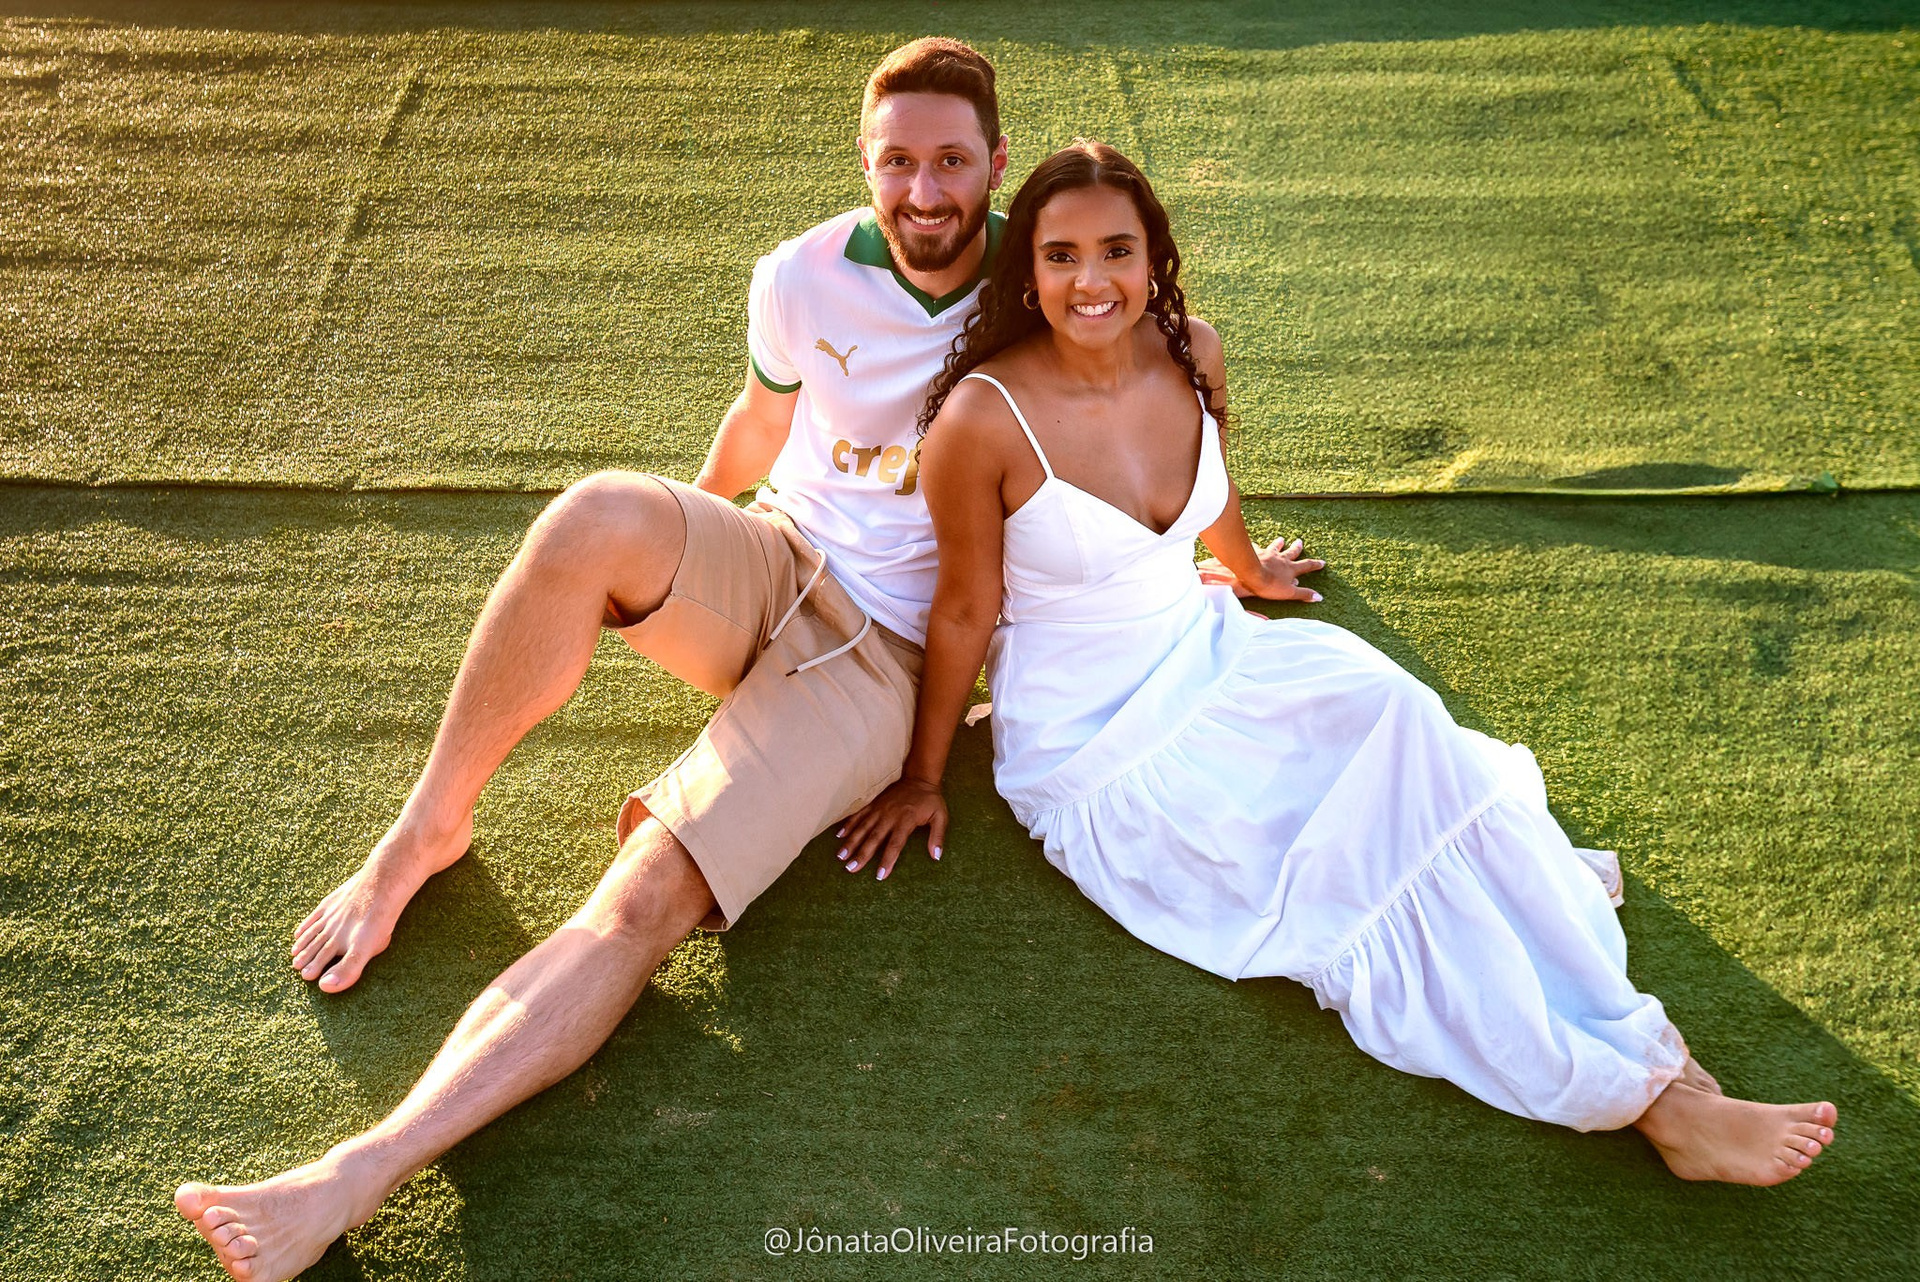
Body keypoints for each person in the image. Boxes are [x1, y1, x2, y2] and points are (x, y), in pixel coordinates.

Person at [173, 38, 1037, 1282]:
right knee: (594, 515)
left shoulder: (1039, 282)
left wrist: (1207, 563)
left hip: (879, 658)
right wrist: (676, 539)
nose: (924, 191)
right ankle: (426, 830)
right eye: (897, 161)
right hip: (781, 555)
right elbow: (762, 417)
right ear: (865, 162)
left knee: (645, 891)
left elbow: (1142, 417)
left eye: (952, 162)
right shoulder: (801, 273)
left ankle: (352, 1174)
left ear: (996, 163)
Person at [839, 140, 1838, 1186]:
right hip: (1099, 736)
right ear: (1028, 273)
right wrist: (923, 775)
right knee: (1344, 858)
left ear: (1153, 255)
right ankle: (1653, 1102)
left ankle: (1647, 1054)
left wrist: (1245, 570)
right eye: (1062, 256)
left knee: (1395, 711)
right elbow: (965, 610)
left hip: (1206, 649)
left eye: (1117, 250)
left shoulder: (1191, 350)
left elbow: (1214, 481)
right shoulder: (983, 420)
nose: (1093, 281)